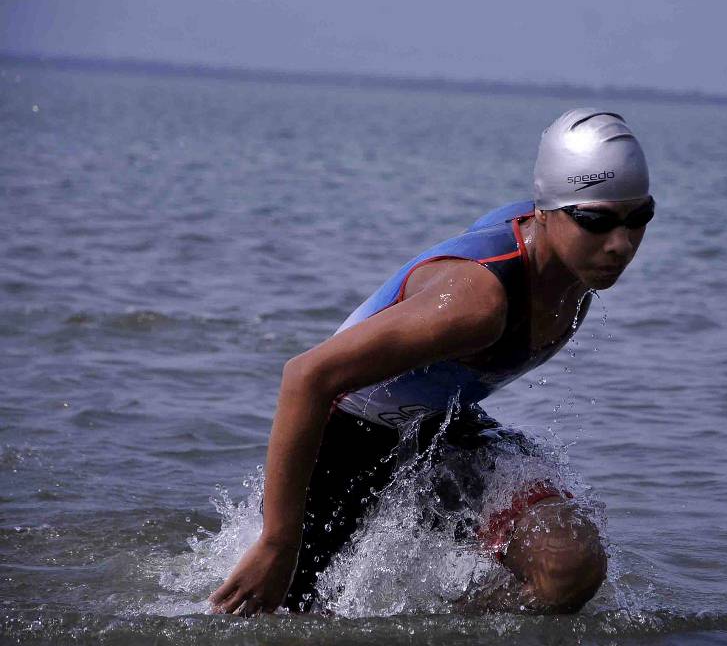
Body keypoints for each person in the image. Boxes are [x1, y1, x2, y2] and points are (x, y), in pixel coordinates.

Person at [209, 108, 655, 616]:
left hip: (443, 430)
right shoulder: (476, 304)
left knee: (568, 567)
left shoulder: (576, 266)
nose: (620, 244)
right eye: (595, 221)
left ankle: (435, 624)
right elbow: (307, 376)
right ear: (545, 212)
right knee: (280, 621)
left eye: (638, 217)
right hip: (341, 446)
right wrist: (276, 542)